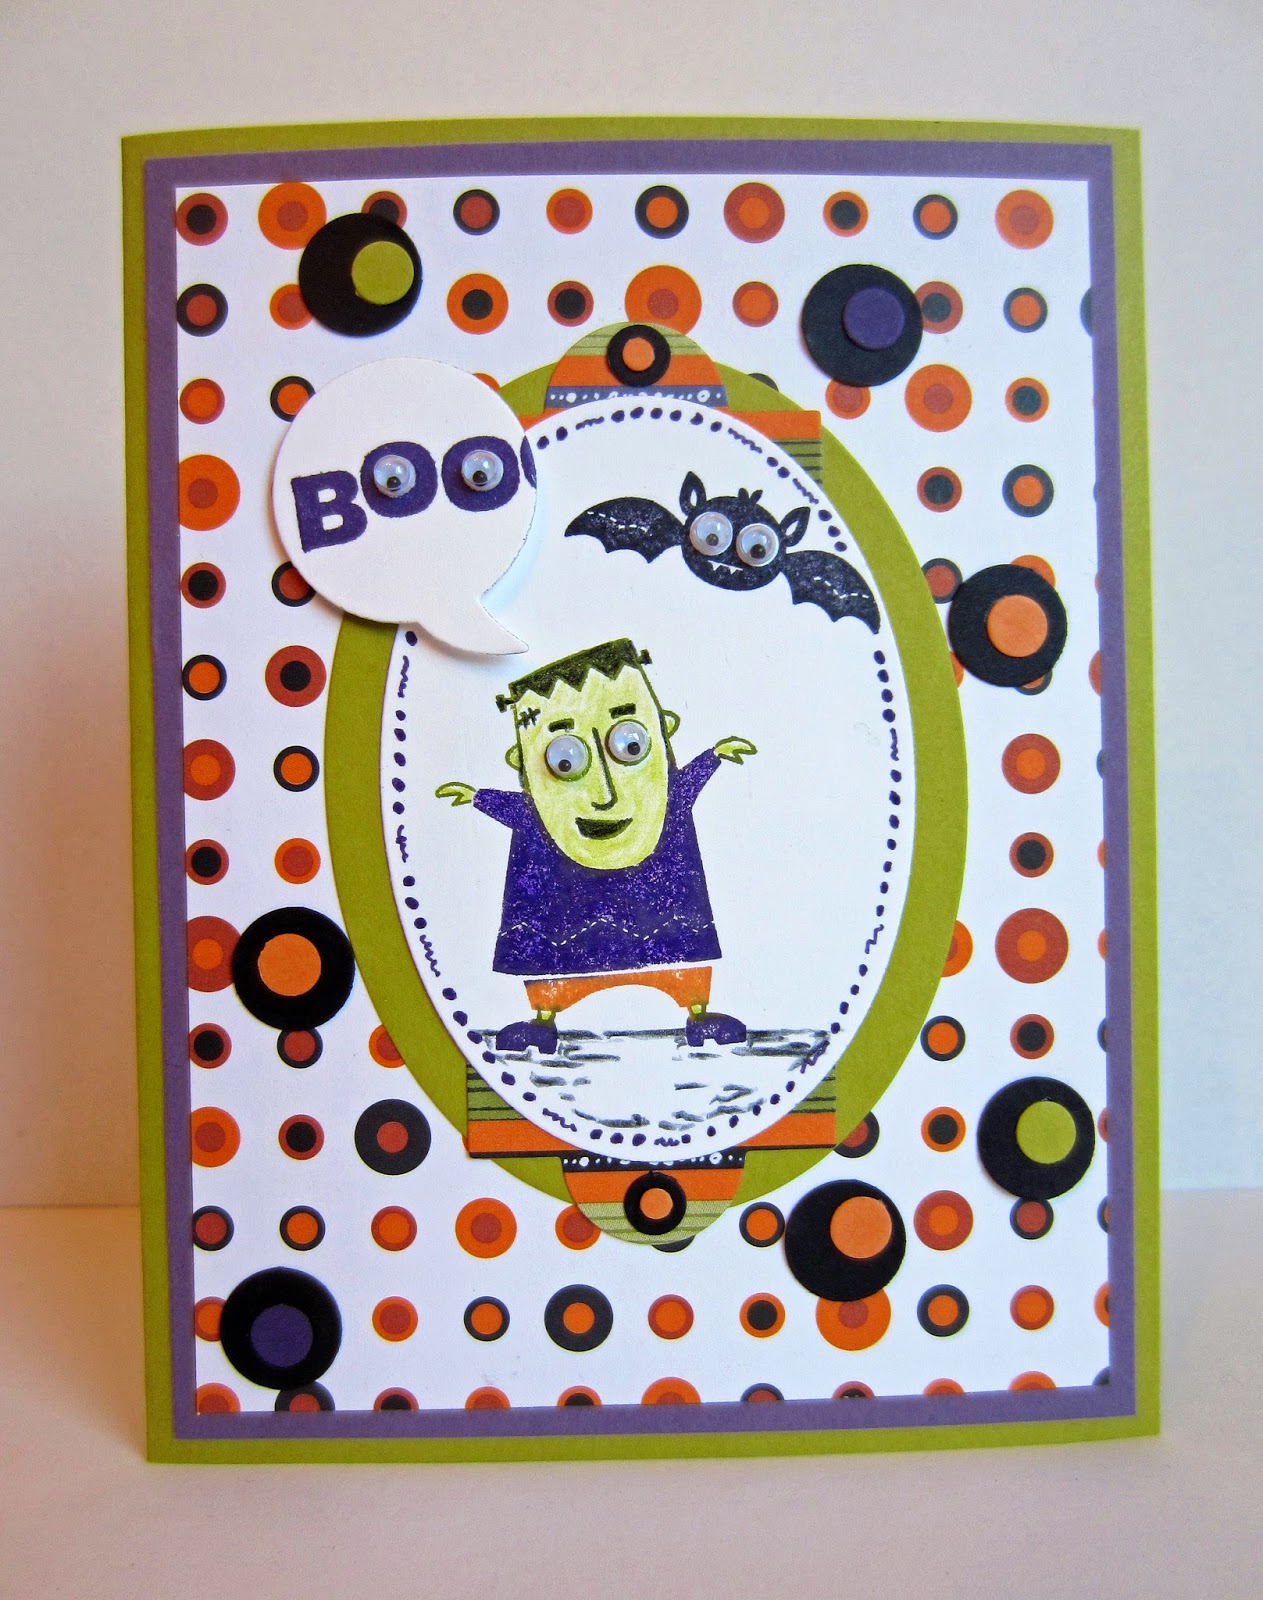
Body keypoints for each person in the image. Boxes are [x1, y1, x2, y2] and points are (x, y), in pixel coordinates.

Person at [436, 637, 756, 1053]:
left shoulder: (666, 797)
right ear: (522, 760)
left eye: (631, 745)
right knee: (555, 966)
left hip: (660, 908)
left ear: (664, 729)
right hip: (568, 915)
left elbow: (685, 784)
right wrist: (477, 797)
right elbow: (518, 810)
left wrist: (714, 756)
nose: (604, 795)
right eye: (565, 760)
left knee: (681, 958)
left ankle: (698, 1012)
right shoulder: (539, 816)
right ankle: (543, 1019)